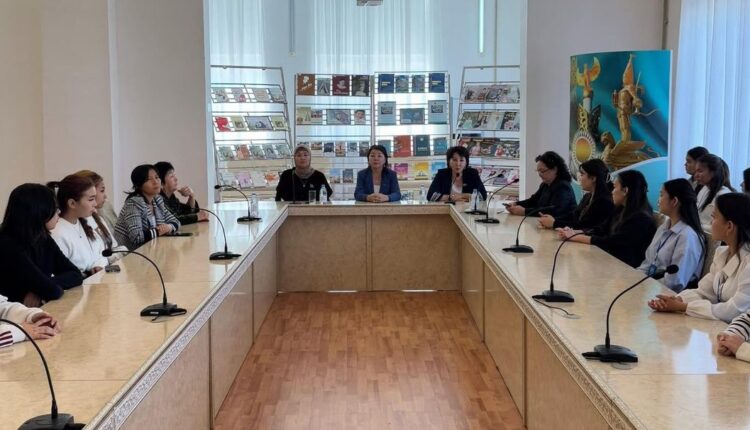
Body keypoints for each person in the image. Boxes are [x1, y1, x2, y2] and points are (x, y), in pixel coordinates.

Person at [648, 193, 750, 322]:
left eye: (714, 217)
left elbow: (734, 311)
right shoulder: (722, 253)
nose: (710, 223)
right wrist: (677, 299)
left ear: (729, 226)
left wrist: (683, 307)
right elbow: (704, 292)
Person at [0, 184, 83, 306]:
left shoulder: (42, 238)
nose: (59, 212)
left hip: (34, 310)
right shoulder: (7, 244)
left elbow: (75, 274)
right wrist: (45, 288)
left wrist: (38, 291)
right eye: (54, 208)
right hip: (12, 315)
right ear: (38, 211)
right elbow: (53, 291)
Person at [557, 170, 656, 268]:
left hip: (626, 269)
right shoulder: (621, 209)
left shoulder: (641, 218)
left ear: (625, 191)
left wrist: (576, 237)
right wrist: (574, 232)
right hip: (612, 261)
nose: (612, 191)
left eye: (615, 187)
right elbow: (601, 229)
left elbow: (612, 242)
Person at [636, 179, 706, 292]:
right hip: (650, 286)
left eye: (661, 195)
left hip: (667, 294)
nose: (658, 200)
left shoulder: (688, 236)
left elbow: (675, 282)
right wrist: (634, 278)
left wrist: (644, 286)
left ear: (674, 201)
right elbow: (648, 263)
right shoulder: (664, 227)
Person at [48, 175, 109, 276]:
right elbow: (56, 275)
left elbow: (100, 253)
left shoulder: (83, 221)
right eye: (91, 199)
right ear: (72, 203)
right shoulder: (57, 232)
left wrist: (98, 265)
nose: (95, 203)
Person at [114, 164, 180, 250]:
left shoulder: (157, 201)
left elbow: (176, 221)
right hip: (129, 254)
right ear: (139, 184)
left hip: (150, 250)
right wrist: (159, 231)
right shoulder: (133, 204)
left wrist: (169, 227)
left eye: (157, 177)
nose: (155, 182)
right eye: (149, 179)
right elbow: (136, 237)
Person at [538, 158, 614, 230]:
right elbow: (573, 216)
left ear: (593, 178)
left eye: (582, 174)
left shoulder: (605, 202)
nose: (579, 178)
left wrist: (554, 223)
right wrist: (553, 220)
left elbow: (584, 226)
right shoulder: (587, 196)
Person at [73, 170, 128, 261]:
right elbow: (93, 260)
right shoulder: (77, 225)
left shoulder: (97, 217)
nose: (105, 196)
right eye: (102, 191)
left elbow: (114, 246)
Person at [506, 151, 576, 218]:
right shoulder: (545, 184)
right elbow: (533, 201)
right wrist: (516, 204)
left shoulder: (563, 186)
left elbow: (555, 210)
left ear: (555, 169)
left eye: (542, 171)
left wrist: (524, 211)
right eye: (538, 171)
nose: (539, 174)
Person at [694, 154, 734, 229]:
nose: (695, 175)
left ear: (713, 172)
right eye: (695, 171)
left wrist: (694, 225)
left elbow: (722, 227)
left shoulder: (724, 194)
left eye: (700, 171)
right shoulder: (704, 189)